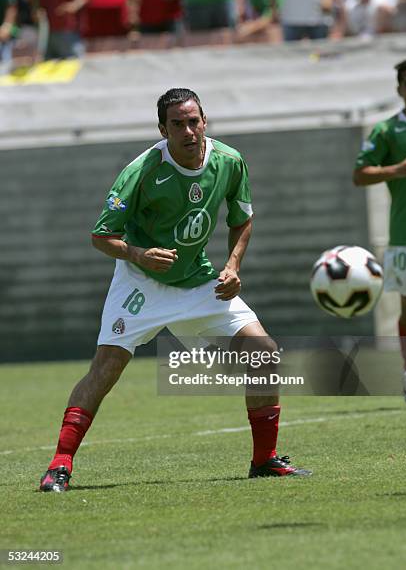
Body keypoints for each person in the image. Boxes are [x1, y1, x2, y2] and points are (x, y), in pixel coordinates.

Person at [39, 87, 312, 492]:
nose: (189, 131)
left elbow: (242, 218)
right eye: (178, 124)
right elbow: (101, 236)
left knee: (263, 352)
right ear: (163, 129)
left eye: (194, 121)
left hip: (199, 281)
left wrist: (233, 265)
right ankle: (59, 465)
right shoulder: (142, 171)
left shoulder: (229, 161)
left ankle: (265, 460)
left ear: (205, 121)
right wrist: (138, 254)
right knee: (107, 367)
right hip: (142, 282)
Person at [353, 61, 406, 402]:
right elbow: (360, 174)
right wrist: (397, 169)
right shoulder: (387, 131)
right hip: (404, 234)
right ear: (400, 88)